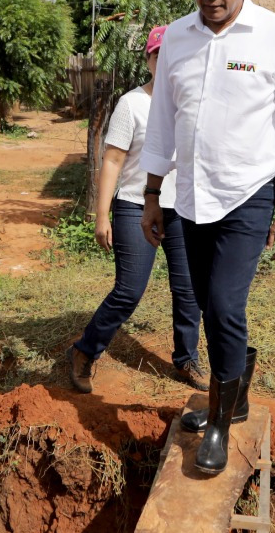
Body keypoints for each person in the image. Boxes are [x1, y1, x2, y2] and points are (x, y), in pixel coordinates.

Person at [139, 0, 275, 475]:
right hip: (188, 196)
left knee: (223, 306)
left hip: (247, 195)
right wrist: (151, 193)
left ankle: (218, 422)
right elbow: (163, 123)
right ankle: (233, 396)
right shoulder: (178, 40)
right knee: (199, 304)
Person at [66, 26, 206, 394]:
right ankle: (85, 351)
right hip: (133, 204)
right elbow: (111, 160)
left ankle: (186, 358)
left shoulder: (192, 102)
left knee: (189, 289)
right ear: (148, 59)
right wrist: (101, 215)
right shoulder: (132, 104)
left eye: (173, 54)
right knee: (129, 289)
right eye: (159, 55)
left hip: (183, 208)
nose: (166, 61)